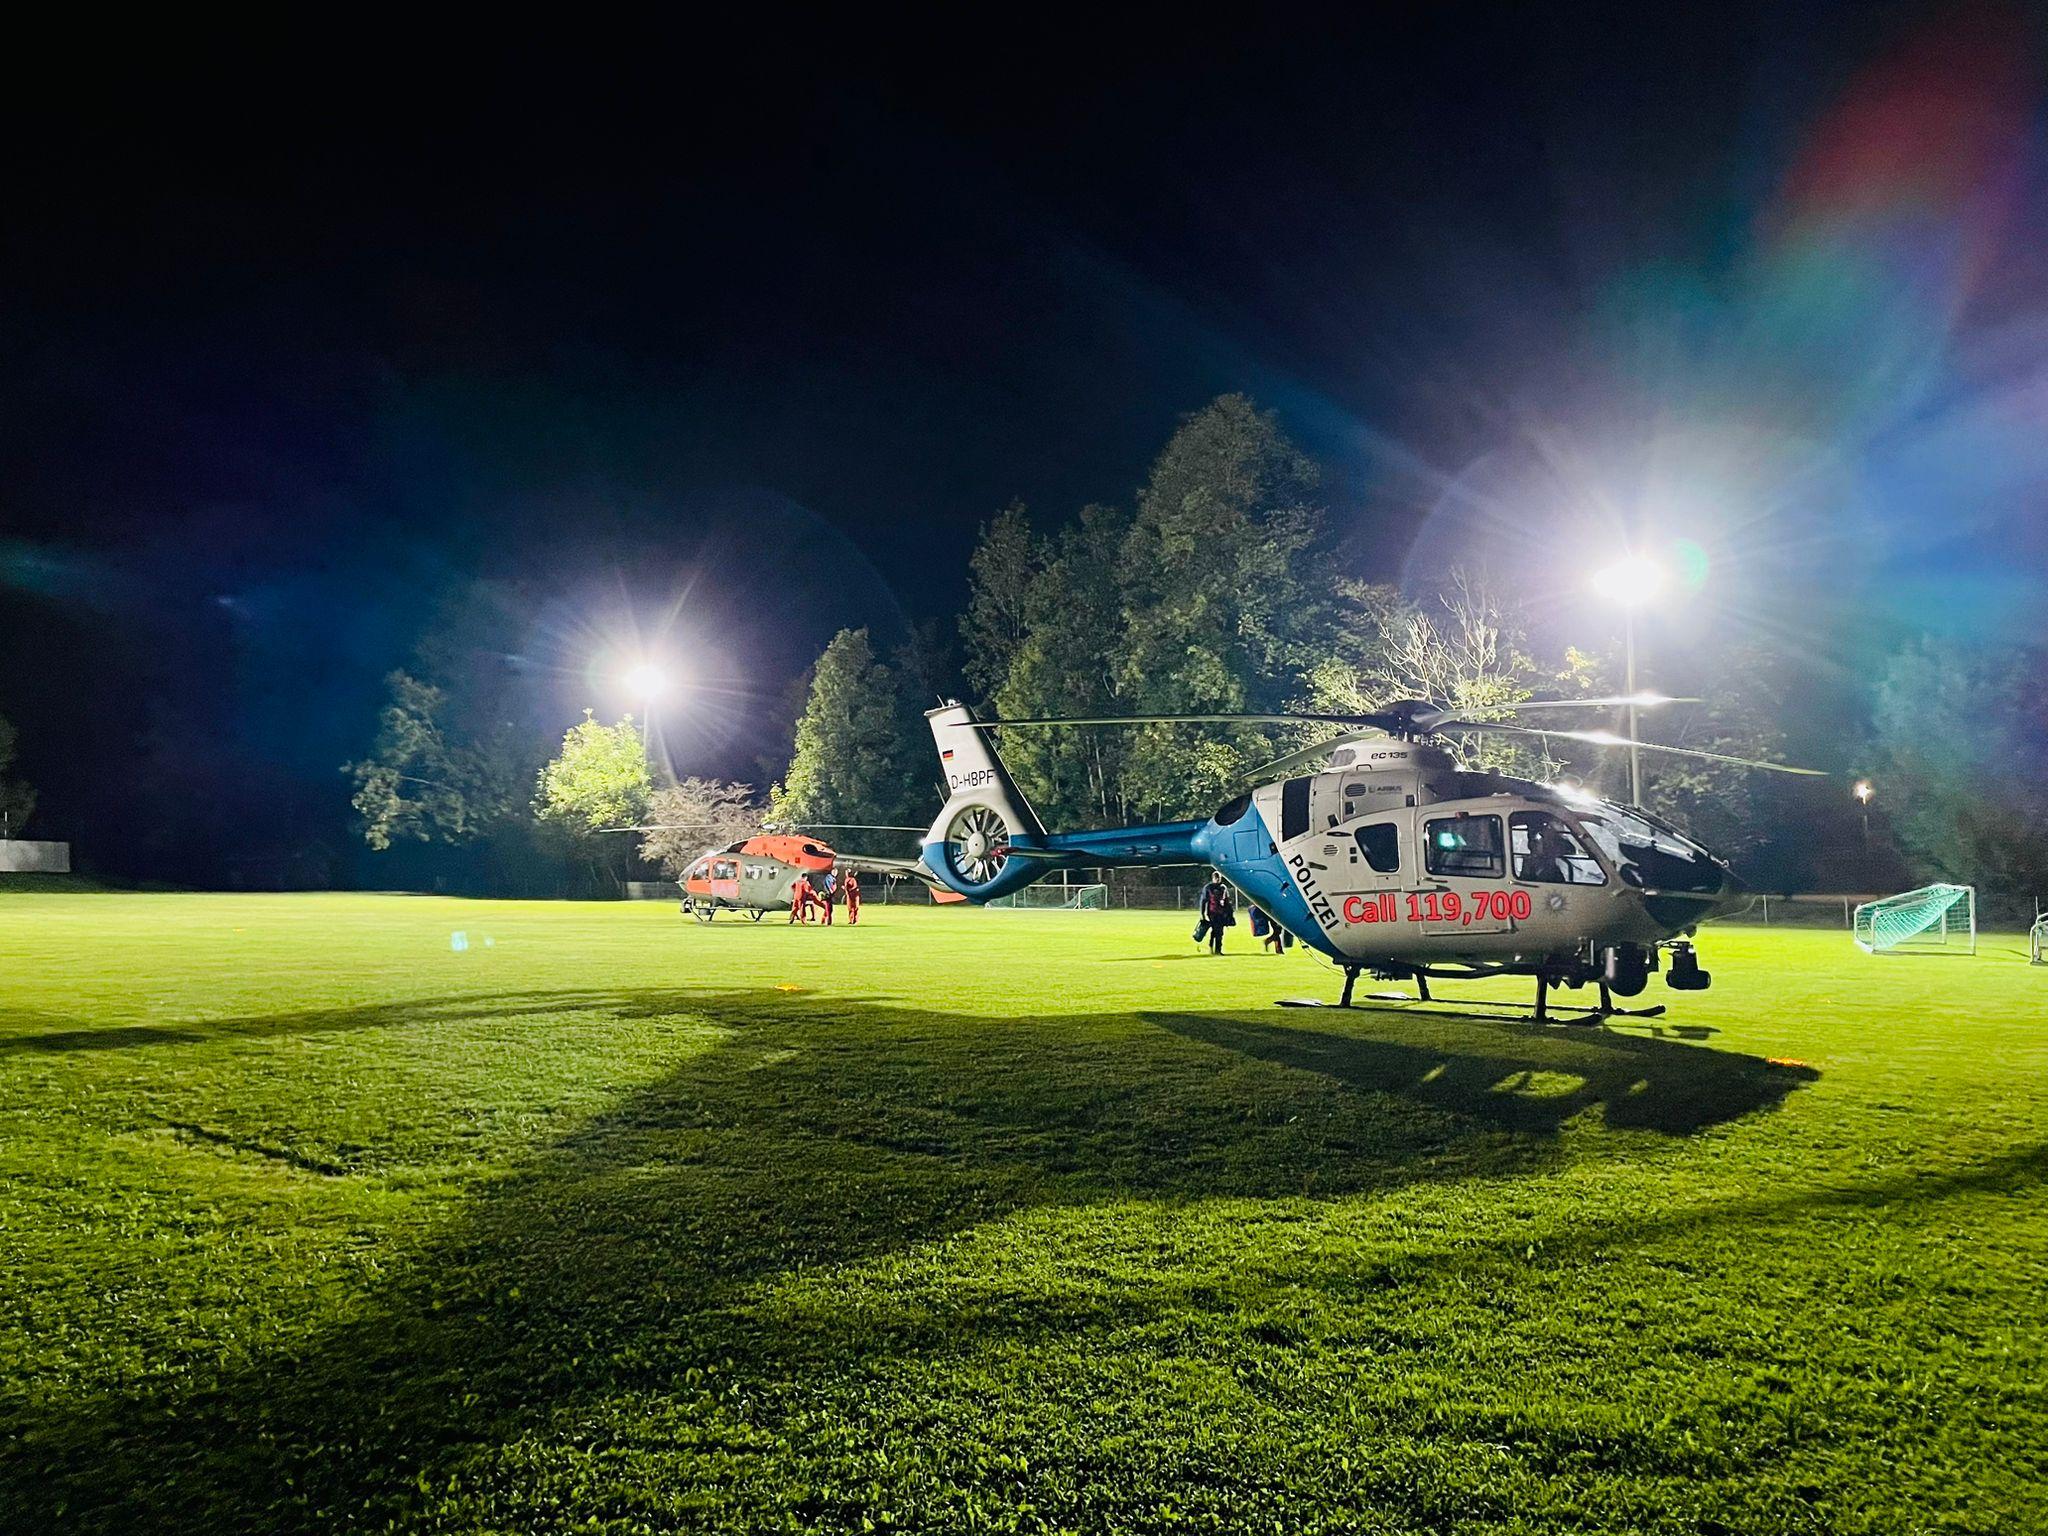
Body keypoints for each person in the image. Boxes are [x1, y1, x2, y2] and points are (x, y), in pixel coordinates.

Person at [1201, 873, 1236, 954]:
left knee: (1217, 931)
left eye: (1219, 878)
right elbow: (1204, 901)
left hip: (1222, 913)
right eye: (1216, 878)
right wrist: (1202, 913)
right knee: (1218, 931)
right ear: (1213, 878)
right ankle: (1217, 950)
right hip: (1212, 912)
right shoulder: (1208, 888)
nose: (1218, 880)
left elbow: (1227, 901)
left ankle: (1213, 947)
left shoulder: (1223, 887)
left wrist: (1229, 913)